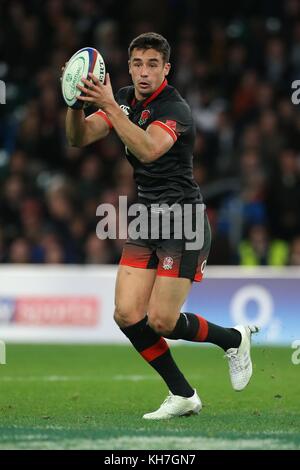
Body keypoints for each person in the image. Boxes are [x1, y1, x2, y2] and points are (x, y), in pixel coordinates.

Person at [65, 32, 259, 420]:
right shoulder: (120, 98)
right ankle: (183, 394)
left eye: (153, 64)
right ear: (129, 66)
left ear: (166, 69)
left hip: (184, 220)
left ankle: (232, 339)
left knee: (162, 321)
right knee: (126, 314)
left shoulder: (176, 108)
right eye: (137, 63)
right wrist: (72, 102)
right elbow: (78, 138)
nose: (143, 72)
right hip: (145, 219)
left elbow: (149, 149)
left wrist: (110, 107)